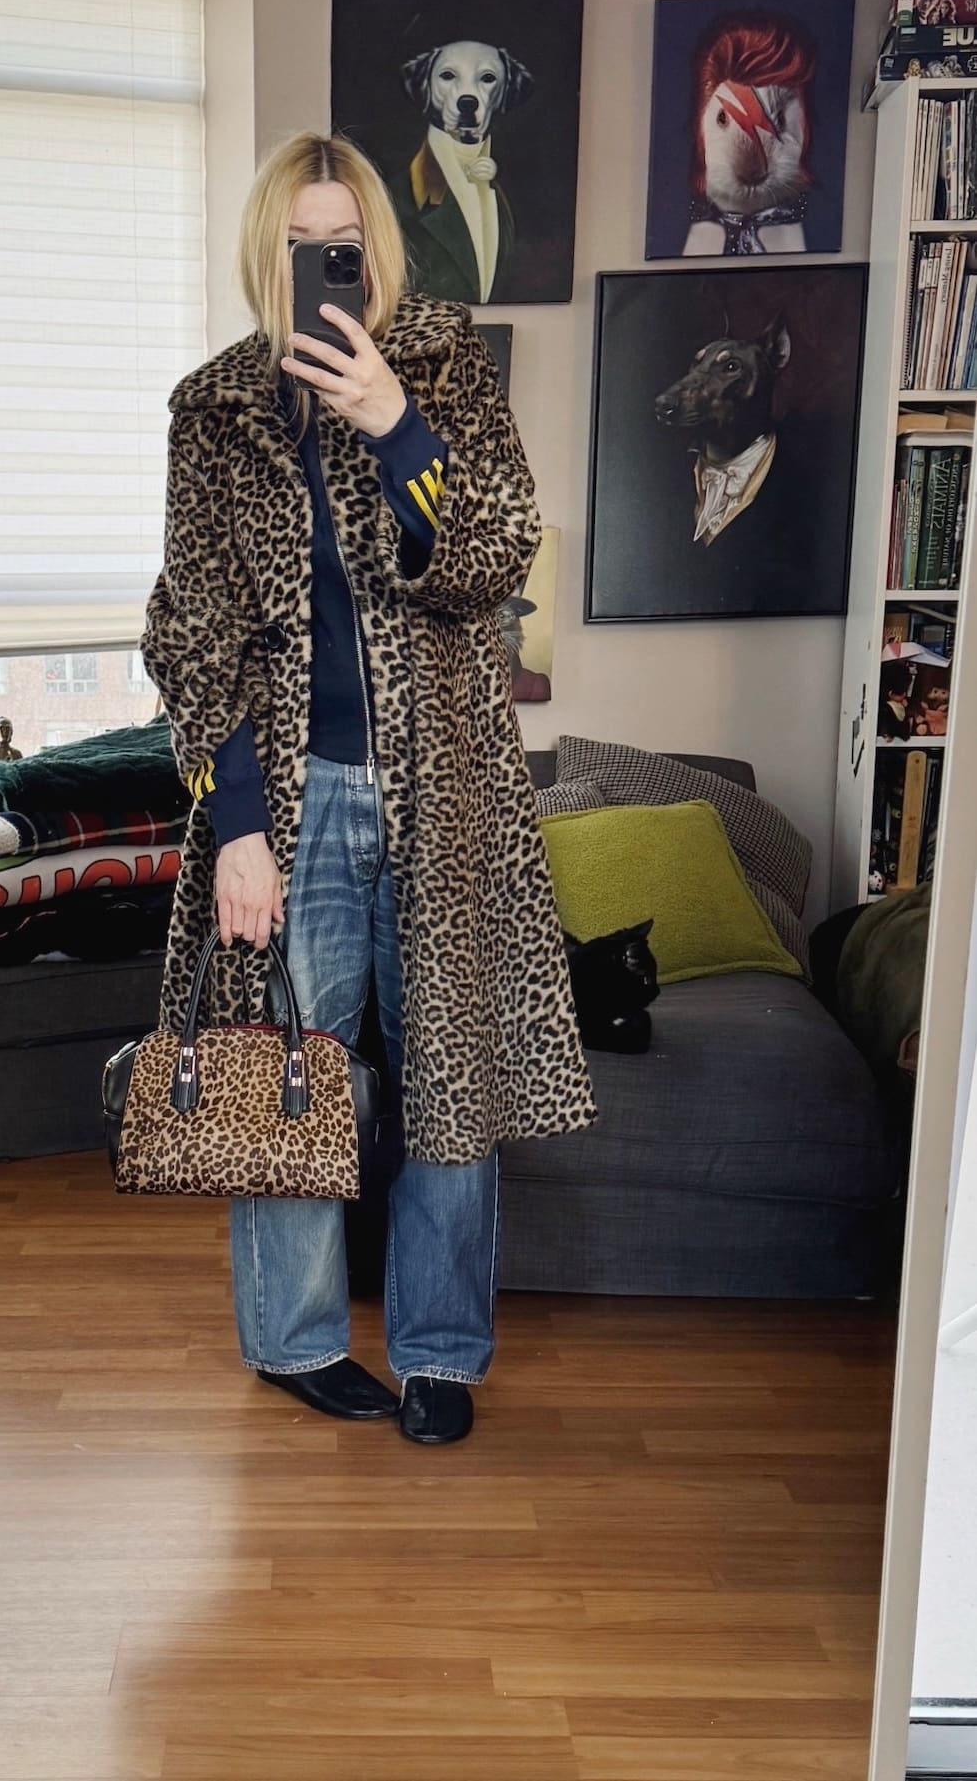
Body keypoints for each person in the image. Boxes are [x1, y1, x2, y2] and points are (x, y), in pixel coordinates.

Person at [143, 133, 594, 1448]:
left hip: (445, 794)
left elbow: (497, 554)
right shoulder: (214, 410)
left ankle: (441, 1348)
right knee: (290, 1068)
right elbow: (194, 631)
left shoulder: (446, 371)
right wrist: (236, 828)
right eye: (297, 245)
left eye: (341, 243)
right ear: (263, 255)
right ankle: (292, 1340)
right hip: (289, 805)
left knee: (450, 1072)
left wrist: (396, 424)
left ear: (376, 254)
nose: (320, 267)